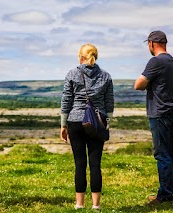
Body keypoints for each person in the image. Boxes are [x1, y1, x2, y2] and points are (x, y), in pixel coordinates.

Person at [61, 44, 114, 210]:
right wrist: (107, 122)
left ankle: (79, 204)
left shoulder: (72, 73)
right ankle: (96, 205)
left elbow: (66, 101)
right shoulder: (106, 76)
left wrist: (63, 124)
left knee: (80, 163)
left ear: (80, 57)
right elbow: (109, 102)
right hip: (97, 122)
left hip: (75, 121)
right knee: (95, 163)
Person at [134, 30, 173, 205]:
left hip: (159, 111)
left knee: (162, 154)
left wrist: (148, 84)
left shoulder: (156, 61)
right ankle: (167, 192)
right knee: (167, 153)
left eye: (148, 44)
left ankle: (165, 195)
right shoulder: (172, 61)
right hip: (171, 109)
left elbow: (138, 84)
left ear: (152, 44)